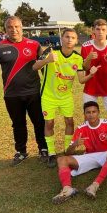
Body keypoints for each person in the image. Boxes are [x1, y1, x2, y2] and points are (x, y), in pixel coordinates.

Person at [32, 28, 99, 167]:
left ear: (76, 41)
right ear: (61, 38)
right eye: (67, 37)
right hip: (48, 96)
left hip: (66, 96)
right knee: (49, 123)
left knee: (70, 122)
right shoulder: (50, 52)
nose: (69, 40)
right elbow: (34, 67)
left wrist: (91, 74)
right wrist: (47, 60)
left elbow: (81, 80)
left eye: (73, 38)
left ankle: (68, 150)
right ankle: (51, 153)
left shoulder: (77, 57)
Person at [0, 16, 48, 165]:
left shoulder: (34, 45)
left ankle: (43, 149)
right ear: (5, 29)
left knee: (39, 122)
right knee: (18, 124)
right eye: (10, 27)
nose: (14, 30)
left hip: (33, 92)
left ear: (22, 28)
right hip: (11, 94)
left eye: (17, 27)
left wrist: (48, 89)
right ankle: (21, 151)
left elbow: (44, 68)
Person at [52, 101, 107, 204]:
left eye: (94, 112)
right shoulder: (81, 128)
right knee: (61, 159)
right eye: (88, 112)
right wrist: (74, 144)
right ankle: (67, 189)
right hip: (90, 156)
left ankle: (94, 186)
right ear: (84, 114)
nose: (91, 114)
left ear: (98, 112)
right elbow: (68, 153)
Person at [81, 18, 107, 123]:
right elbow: (84, 68)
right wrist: (89, 58)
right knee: (88, 116)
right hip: (90, 85)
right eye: (98, 29)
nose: (100, 32)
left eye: (103, 29)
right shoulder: (85, 46)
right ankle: (88, 137)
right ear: (93, 30)